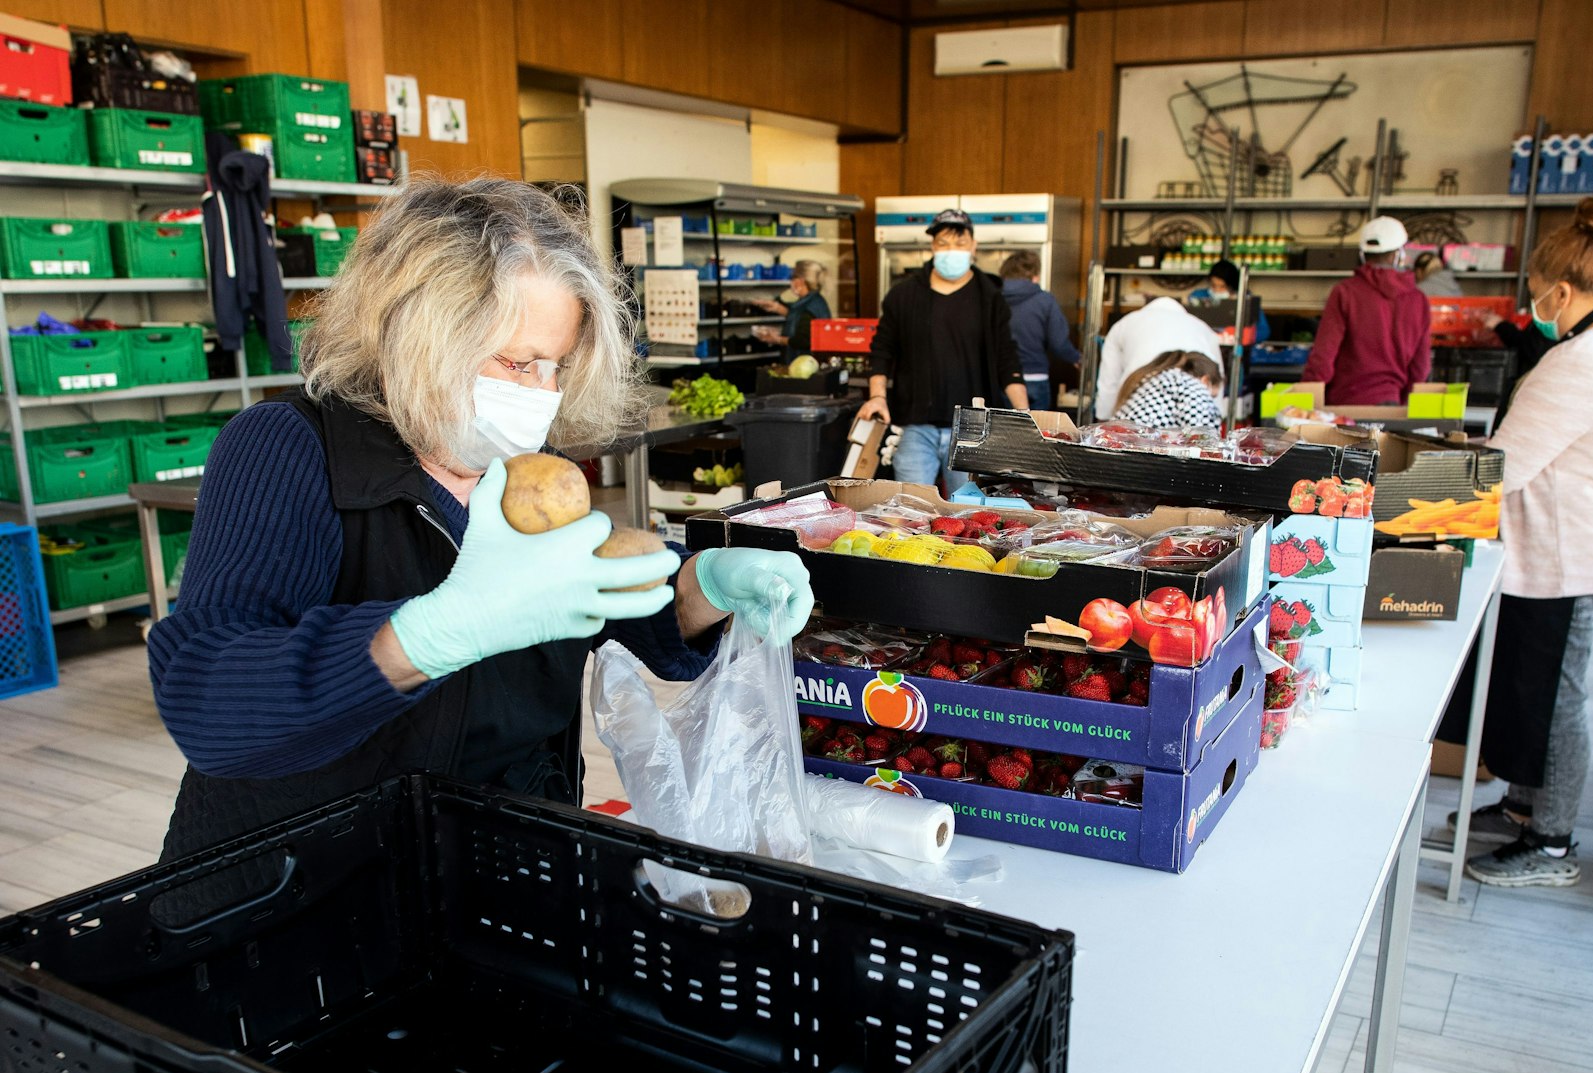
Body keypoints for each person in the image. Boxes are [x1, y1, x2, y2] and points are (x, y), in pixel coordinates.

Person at [148, 177, 813, 859]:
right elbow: (208, 698)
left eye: (557, 366)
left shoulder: (525, 472)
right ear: (416, 332)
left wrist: (707, 585)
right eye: (519, 362)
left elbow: (602, 600)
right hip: (315, 886)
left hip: (500, 865)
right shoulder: (288, 448)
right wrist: (429, 635)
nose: (541, 394)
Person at [1439, 190, 1593, 888]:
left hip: (1571, 551)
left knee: (1555, 695)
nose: (1534, 312)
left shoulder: (1580, 361)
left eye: (1540, 298)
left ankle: (1550, 843)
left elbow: (1501, 467)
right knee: (1530, 683)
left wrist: (1389, 493)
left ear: (1565, 290)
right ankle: (1520, 806)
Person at [857, 208, 1026, 493]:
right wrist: (877, 397)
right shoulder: (903, 295)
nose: (952, 250)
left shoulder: (990, 297)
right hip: (914, 426)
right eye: (943, 243)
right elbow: (882, 351)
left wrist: (1024, 414)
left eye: (960, 243)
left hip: (973, 429)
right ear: (932, 246)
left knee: (967, 513)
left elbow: (1006, 357)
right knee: (911, 509)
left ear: (973, 246)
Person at [1299, 216, 1430, 405]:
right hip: (1391, 404)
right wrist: (1402, 403)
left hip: (1345, 406)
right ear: (1398, 255)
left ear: (1363, 255)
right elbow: (1421, 367)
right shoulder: (1418, 300)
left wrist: (1305, 401)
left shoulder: (1345, 292)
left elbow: (1323, 356)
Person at [1094, 294, 1222, 420]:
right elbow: (1217, 384)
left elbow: (1108, 382)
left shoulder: (1124, 324)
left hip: (1132, 404)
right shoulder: (1203, 328)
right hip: (1180, 427)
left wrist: (1103, 420)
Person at [999, 249, 1078, 412]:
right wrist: (1077, 358)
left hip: (1002, 379)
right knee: (1037, 434)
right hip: (1036, 376)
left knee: (1003, 432)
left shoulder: (993, 298)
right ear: (1034, 276)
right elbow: (1058, 343)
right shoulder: (1044, 300)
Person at [1111, 350, 1223, 432]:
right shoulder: (1192, 384)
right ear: (1206, 380)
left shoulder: (1161, 377)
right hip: (1135, 450)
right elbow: (1203, 435)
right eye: (1212, 396)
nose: (1208, 400)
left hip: (1113, 442)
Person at [753, 259, 830, 357]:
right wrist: (777, 307)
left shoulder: (811, 306)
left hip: (804, 364)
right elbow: (798, 317)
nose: (791, 281)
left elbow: (803, 340)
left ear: (800, 281)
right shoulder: (813, 300)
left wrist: (777, 339)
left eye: (792, 277)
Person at [1189, 259, 1269, 342]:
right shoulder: (1199, 296)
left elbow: (1264, 331)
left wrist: (1240, 336)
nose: (1217, 290)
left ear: (1232, 287)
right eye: (1213, 285)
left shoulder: (1244, 300)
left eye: (1222, 286)